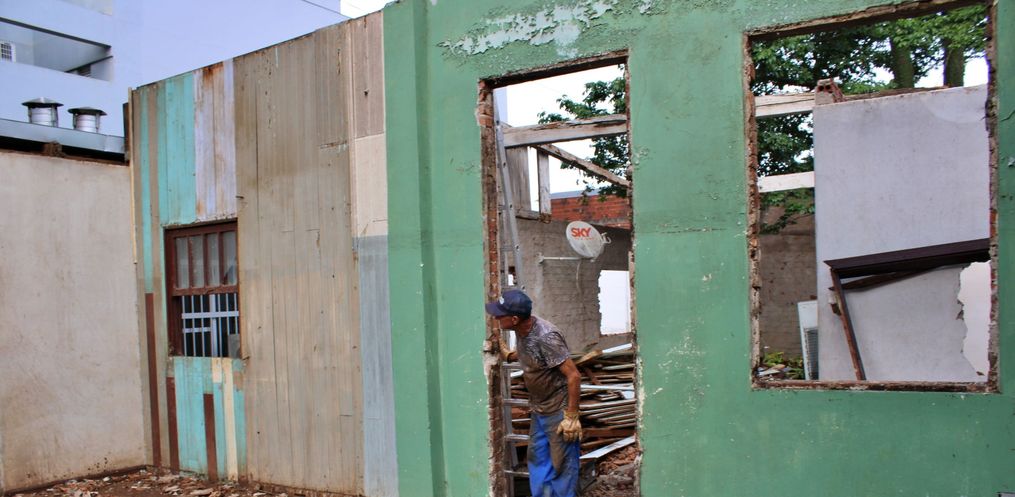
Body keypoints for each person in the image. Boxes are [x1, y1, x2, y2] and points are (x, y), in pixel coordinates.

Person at [486, 290, 582, 497]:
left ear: (514, 319)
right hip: (540, 409)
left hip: (559, 410)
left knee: (563, 466)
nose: (496, 318)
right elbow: (535, 354)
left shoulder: (547, 337)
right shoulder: (522, 330)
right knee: (538, 460)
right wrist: (510, 355)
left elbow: (574, 376)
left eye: (500, 315)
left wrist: (571, 416)